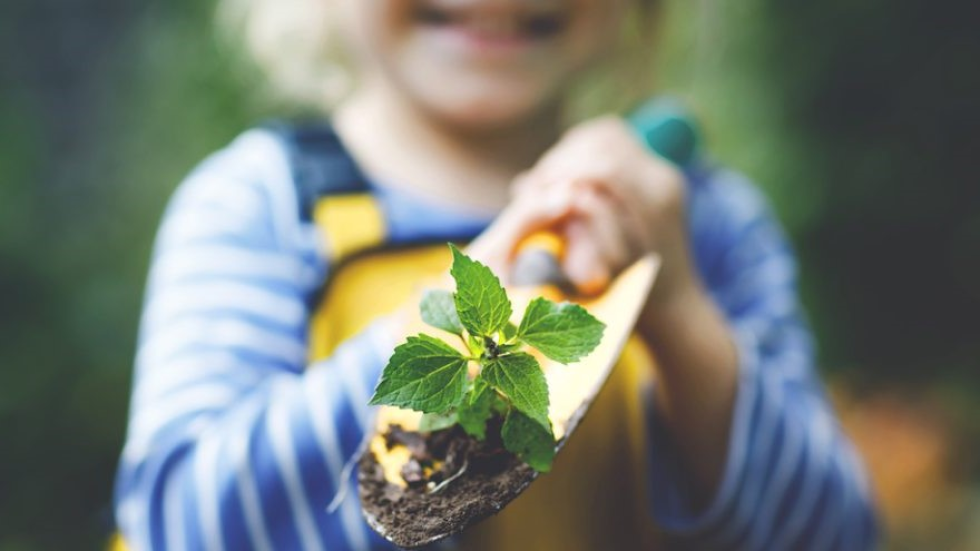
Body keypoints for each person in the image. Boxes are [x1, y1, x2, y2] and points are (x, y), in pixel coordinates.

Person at [114, 0, 879, 549]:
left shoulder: (700, 226)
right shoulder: (266, 208)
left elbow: (835, 533)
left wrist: (678, 310)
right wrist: (458, 324)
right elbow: (181, 526)